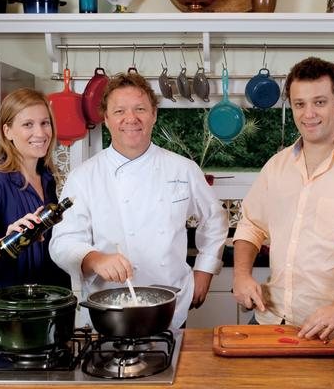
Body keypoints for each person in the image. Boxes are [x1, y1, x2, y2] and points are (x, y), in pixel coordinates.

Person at [232, 57, 334, 341]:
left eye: (319, 102)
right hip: (271, 321)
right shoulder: (277, 166)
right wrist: (242, 275)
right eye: (299, 104)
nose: (308, 113)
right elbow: (251, 225)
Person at [49, 72, 228, 331]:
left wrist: (204, 271)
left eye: (140, 109)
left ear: (154, 115)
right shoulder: (84, 176)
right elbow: (62, 241)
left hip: (171, 305)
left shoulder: (183, 169)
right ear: (106, 119)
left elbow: (215, 218)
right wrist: (94, 258)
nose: (131, 119)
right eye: (119, 110)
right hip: (107, 311)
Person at [0, 88, 71, 328]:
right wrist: (6, 241)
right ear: (7, 131)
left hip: (41, 316)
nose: (40, 132)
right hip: (0, 321)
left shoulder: (47, 178)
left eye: (44, 123)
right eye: (28, 124)